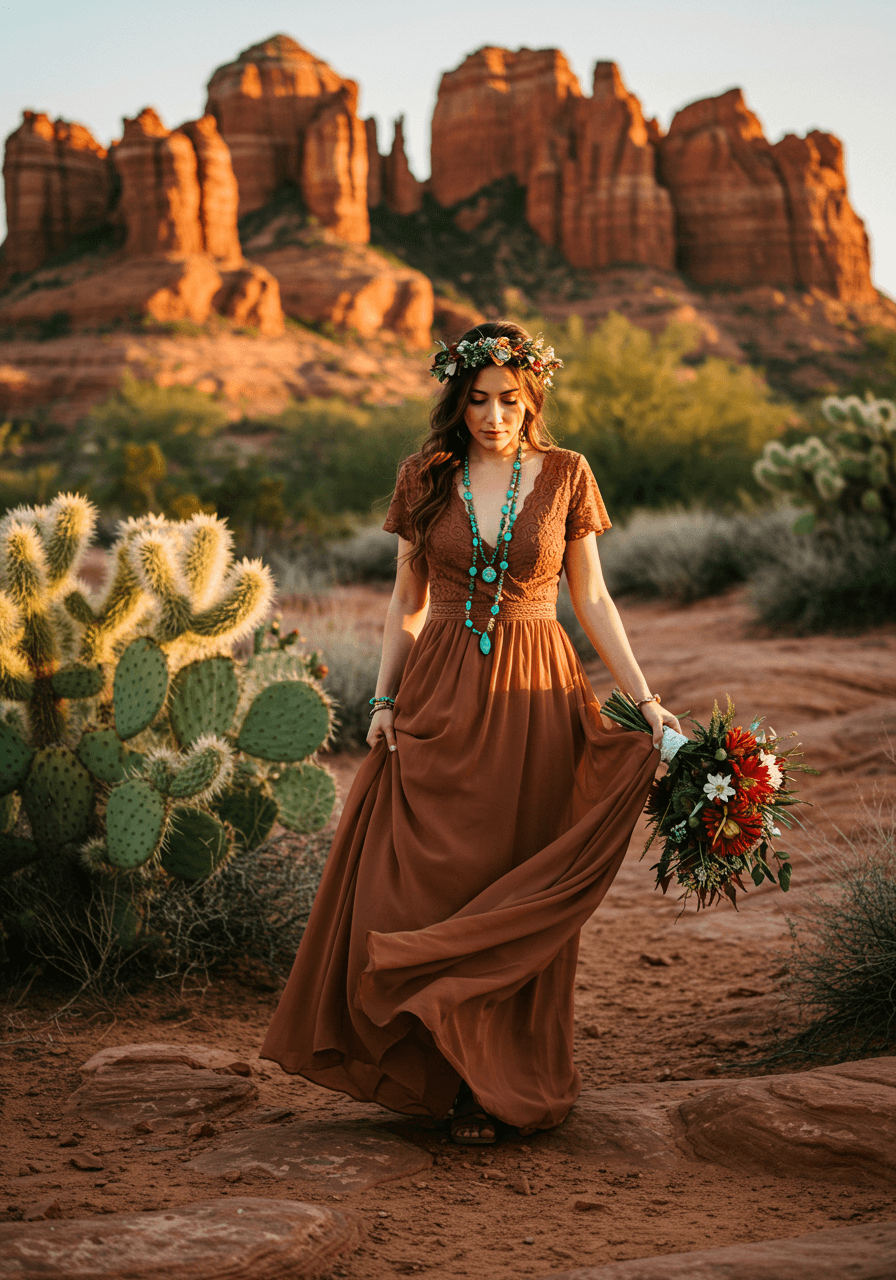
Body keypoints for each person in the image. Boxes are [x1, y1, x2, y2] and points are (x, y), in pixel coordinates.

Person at [261, 320, 681, 1144]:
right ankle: (435, 1076)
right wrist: (382, 702)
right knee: (425, 879)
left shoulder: (567, 475)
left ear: (533, 399)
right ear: (458, 402)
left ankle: (496, 1085)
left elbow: (592, 600)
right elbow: (405, 603)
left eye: (510, 401)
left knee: (512, 879)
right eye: (479, 401)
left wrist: (645, 698)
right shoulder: (424, 475)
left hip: (536, 696)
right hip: (441, 690)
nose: (494, 417)